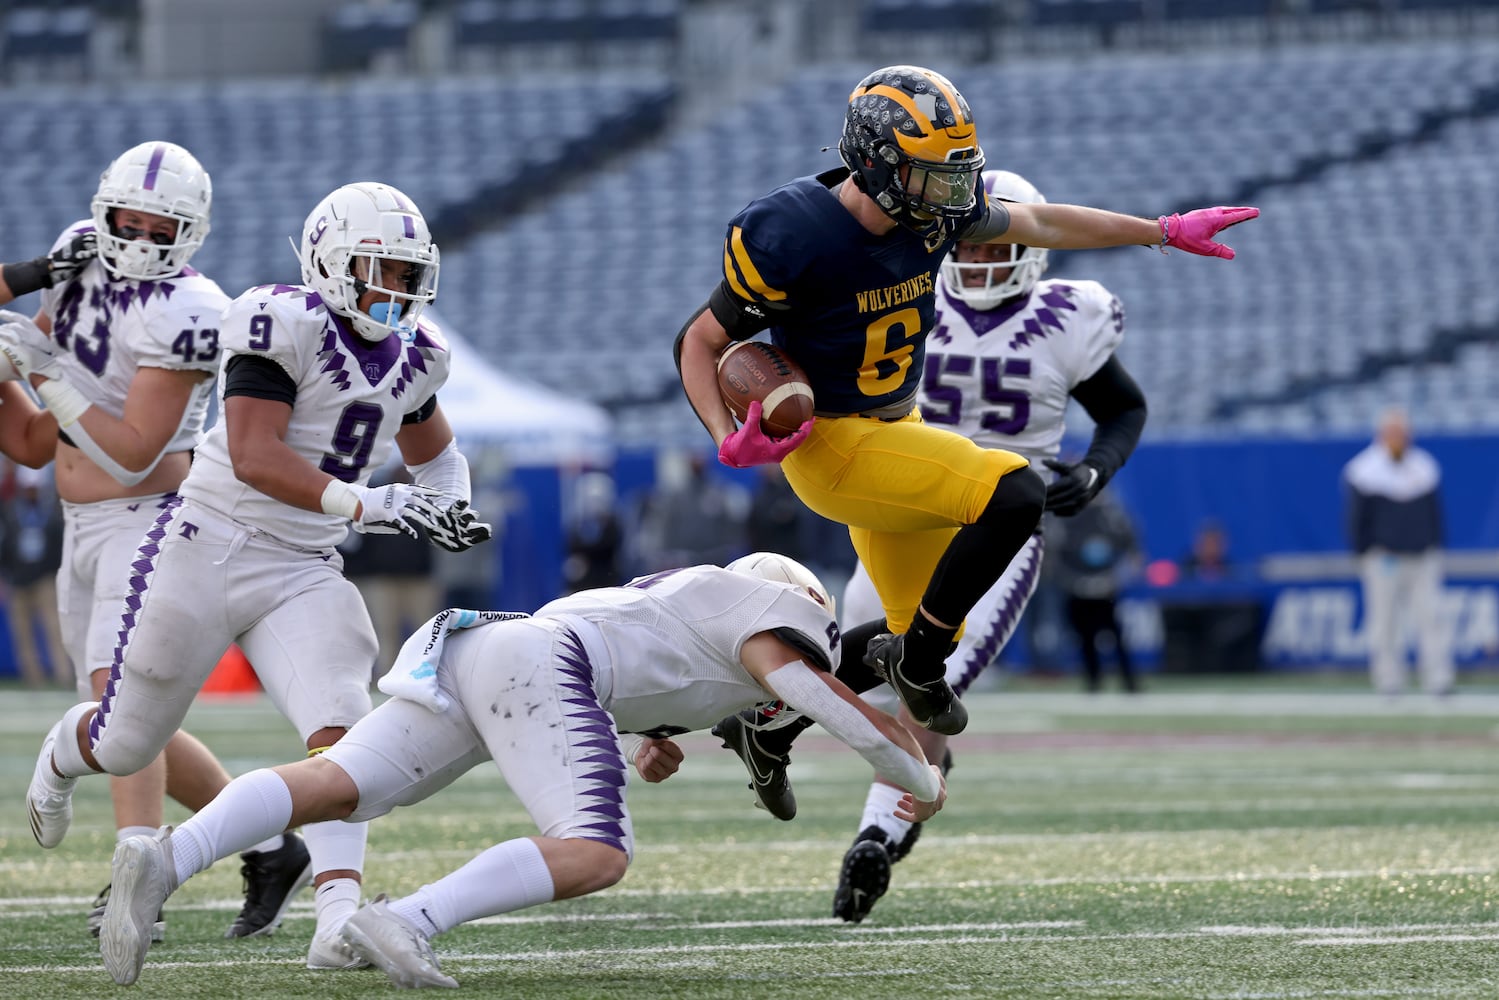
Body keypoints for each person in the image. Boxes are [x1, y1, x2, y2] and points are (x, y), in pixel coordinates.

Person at [676, 65, 1254, 741]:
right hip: (834, 445)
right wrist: (723, 431)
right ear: (874, 163)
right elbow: (701, 339)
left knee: (909, 620)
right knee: (1014, 492)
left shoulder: (929, 210)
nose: (952, 194)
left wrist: (1159, 229)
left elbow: (1037, 220)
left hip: (896, 423)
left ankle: (761, 722)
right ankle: (916, 666)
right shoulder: (791, 232)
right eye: (931, 175)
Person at [23, 180, 494, 969]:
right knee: (127, 740)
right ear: (331, 261)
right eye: (383, 269)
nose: (399, 290)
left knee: (346, 740)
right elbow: (254, 453)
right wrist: (372, 505)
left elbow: (437, 455)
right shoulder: (283, 318)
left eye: (409, 274)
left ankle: (338, 916)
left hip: (302, 564)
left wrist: (448, 504)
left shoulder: (417, 354)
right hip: (206, 544)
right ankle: (64, 751)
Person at [95, 553, 947, 988]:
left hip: (484, 645)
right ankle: (410, 919)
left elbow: (643, 720)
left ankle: (166, 856)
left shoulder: (680, 614)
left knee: (345, 780)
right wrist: (904, 761)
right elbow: (802, 681)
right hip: (545, 658)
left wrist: (647, 742)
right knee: (594, 851)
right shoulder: (768, 605)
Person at [722, 169, 1152, 923]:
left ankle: (874, 837)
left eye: (996, 254)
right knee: (851, 657)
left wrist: (1094, 466)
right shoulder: (911, 283)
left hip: (998, 520)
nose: (982, 266)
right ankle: (763, 724)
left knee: (927, 678)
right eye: (975, 253)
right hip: (907, 491)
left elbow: (1121, 407)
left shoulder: (1068, 314)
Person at [0, 140, 312, 942]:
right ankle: (272, 844)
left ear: (192, 230)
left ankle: (139, 875)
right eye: (126, 220)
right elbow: (37, 445)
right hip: (83, 525)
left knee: (118, 704)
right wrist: (23, 311)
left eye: (159, 224)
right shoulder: (72, 262)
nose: (138, 236)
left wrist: (42, 371)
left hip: (154, 514)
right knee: (129, 721)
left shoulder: (193, 306)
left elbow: (133, 450)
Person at [1342, 406, 1452, 697]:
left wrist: (1435, 547)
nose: (1398, 438)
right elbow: (1358, 519)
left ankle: (1438, 679)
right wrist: (1364, 553)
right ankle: (1389, 681)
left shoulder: (1423, 466)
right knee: (1385, 621)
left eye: (1402, 432)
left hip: (1421, 556)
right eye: (1393, 432)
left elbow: (1434, 514)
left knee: (1431, 618)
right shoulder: (1364, 469)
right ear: (1381, 434)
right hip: (1385, 557)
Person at [1050, 490, 1143, 694]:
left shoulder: (1111, 514)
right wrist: (1072, 580)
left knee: (1116, 637)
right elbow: (1054, 552)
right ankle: (1093, 681)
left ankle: (1129, 681)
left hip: (1106, 588)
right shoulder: (1067, 515)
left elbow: (1130, 542)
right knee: (1085, 638)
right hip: (1077, 587)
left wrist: (1117, 576)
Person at [0, 462, 69, 687]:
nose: (31, 491)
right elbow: (5, 546)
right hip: (18, 579)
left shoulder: (51, 512)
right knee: (23, 632)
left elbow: (59, 546)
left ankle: (62, 675)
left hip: (45, 579)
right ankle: (33, 678)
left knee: (54, 628)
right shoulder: (10, 511)